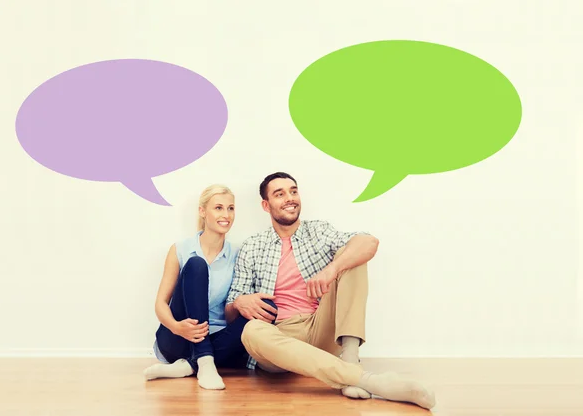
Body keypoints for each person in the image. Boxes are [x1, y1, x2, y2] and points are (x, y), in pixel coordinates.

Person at [224, 172, 436, 409]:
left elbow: (369, 242)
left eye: (293, 191)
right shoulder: (252, 246)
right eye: (280, 194)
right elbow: (230, 311)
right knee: (251, 331)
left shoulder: (318, 231)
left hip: (321, 325)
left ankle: (350, 359)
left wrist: (331, 270)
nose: (289, 198)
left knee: (351, 257)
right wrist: (240, 302)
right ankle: (364, 379)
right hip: (282, 338)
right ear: (266, 205)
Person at [143, 184, 277, 390]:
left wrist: (244, 303)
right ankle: (204, 361)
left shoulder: (239, 254)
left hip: (218, 340)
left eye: (231, 208)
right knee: (197, 265)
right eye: (219, 208)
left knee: (266, 308)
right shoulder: (181, 249)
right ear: (202, 211)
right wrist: (177, 327)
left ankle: (191, 365)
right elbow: (160, 303)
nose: (226, 215)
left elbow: (233, 312)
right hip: (178, 337)